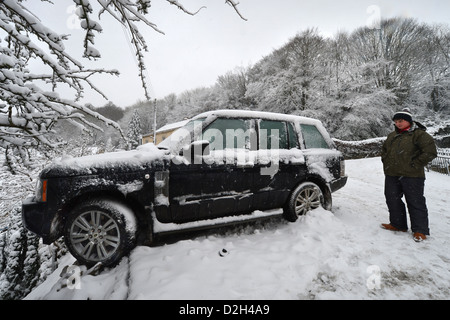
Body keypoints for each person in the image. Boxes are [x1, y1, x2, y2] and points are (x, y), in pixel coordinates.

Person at [380, 108, 437, 242]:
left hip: (412, 176)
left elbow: (430, 152)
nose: (398, 123)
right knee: (392, 200)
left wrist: (415, 164)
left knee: (415, 202)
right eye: (396, 121)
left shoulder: (419, 135)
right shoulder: (392, 136)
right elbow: (384, 150)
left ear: (409, 121)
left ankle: (420, 230)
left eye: (401, 121)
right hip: (392, 174)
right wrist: (386, 161)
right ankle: (398, 224)